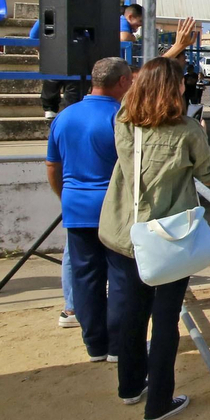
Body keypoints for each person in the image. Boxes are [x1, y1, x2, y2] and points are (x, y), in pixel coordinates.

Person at [97, 57, 210, 420]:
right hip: (167, 239)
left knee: (133, 314)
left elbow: (131, 99)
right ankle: (159, 402)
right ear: (175, 90)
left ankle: (130, 387)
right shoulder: (186, 131)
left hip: (125, 235)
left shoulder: (123, 121)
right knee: (165, 319)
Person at [46, 57, 134, 360]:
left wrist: (66, 196)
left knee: (85, 277)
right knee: (121, 277)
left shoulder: (64, 115)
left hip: (75, 205)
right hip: (113, 209)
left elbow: (52, 166)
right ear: (122, 82)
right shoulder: (122, 116)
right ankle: (116, 346)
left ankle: (94, 344)